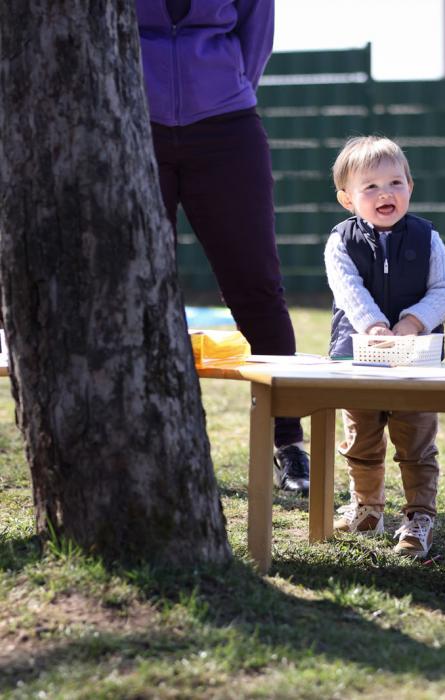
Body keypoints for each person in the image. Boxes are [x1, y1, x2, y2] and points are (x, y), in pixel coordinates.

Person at [135, 0, 310, 495]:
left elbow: (256, 38)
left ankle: (287, 443)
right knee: (140, 287)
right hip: (133, 126)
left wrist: (222, 89)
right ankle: (149, 439)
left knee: (256, 286)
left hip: (226, 127)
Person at [324, 136, 445, 558]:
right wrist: (375, 325)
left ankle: (419, 516)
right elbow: (348, 289)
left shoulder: (426, 237)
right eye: (371, 187)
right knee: (360, 437)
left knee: (416, 440)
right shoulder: (341, 241)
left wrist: (414, 321)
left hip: (415, 358)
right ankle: (367, 506)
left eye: (395, 183)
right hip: (359, 353)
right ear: (347, 199)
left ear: (410, 187)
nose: (386, 193)